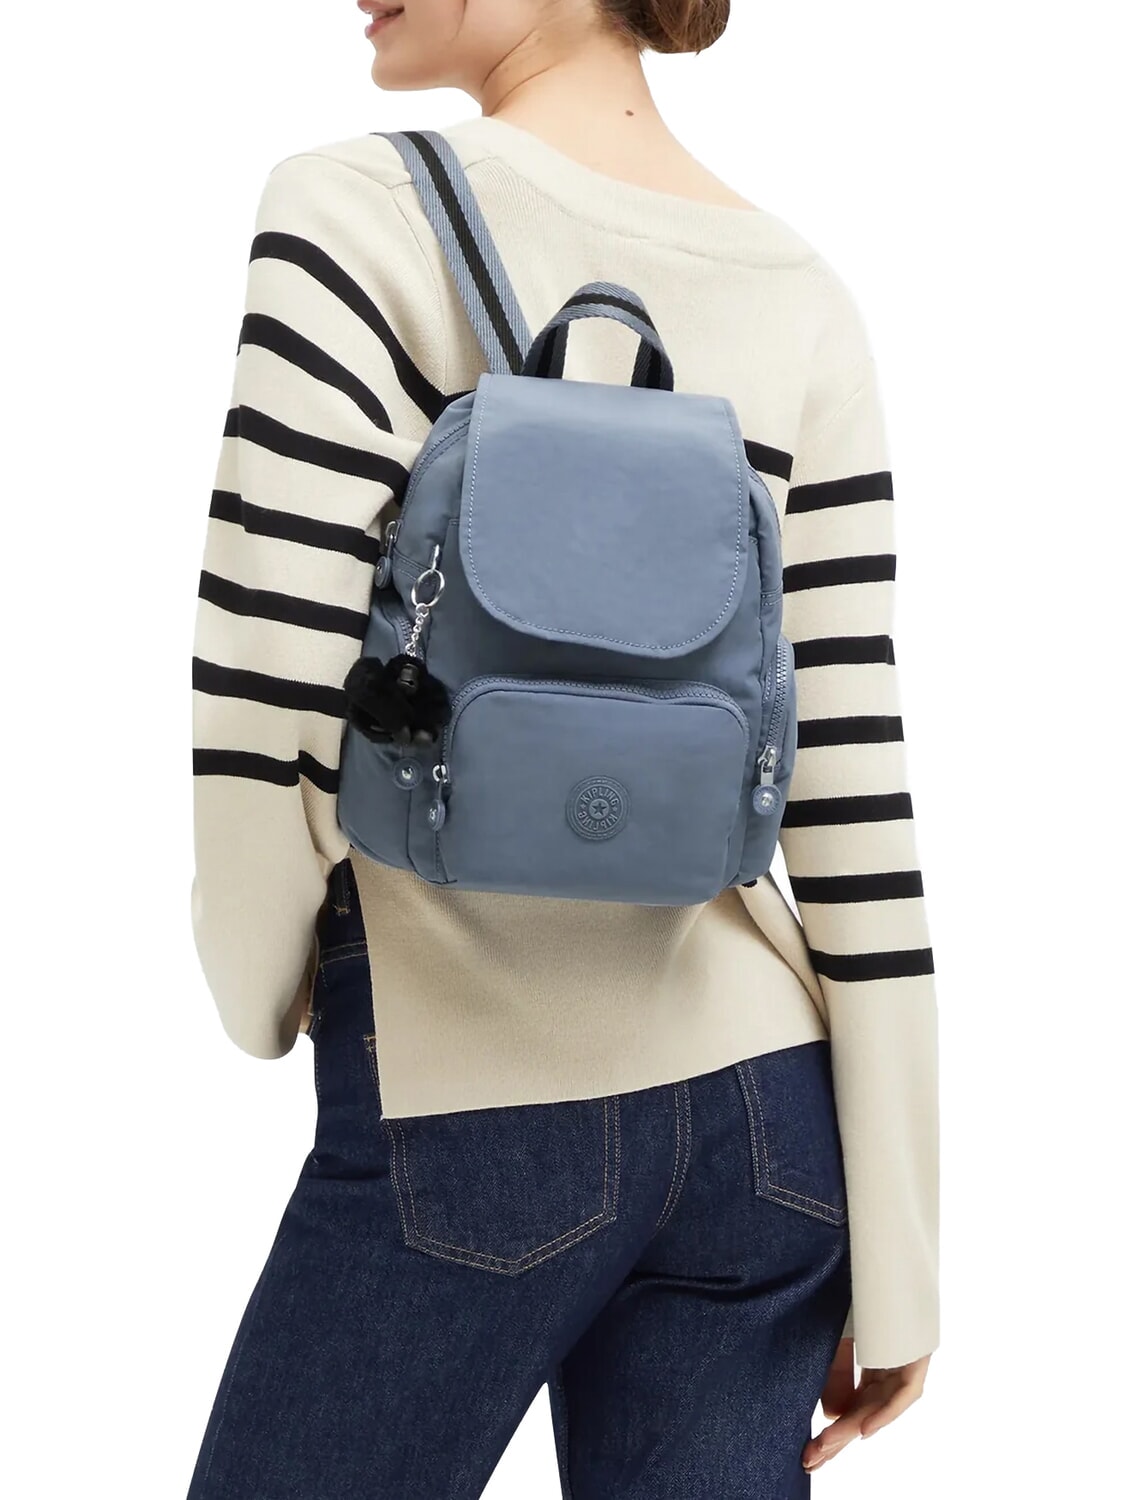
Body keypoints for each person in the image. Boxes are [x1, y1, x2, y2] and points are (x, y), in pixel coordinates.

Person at [187, 2, 939, 1495]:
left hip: (466, 1089)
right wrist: (904, 1247)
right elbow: (849, 773)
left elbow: (267, 677)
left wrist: (261, 988)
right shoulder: (801, 292)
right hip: (770, 1129)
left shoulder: (354, 209)